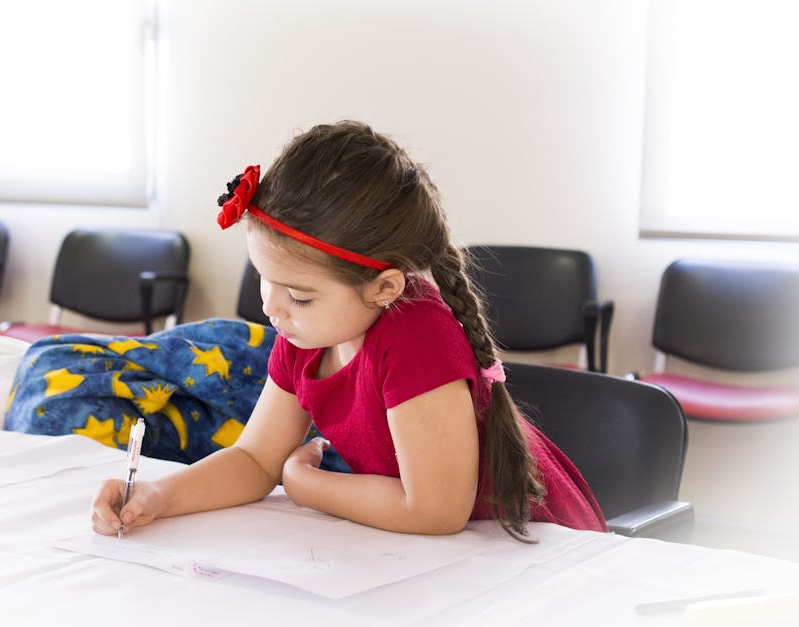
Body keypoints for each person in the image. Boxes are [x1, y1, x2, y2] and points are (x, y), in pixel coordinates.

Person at [91, 120, 606, 540]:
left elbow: (433, 511)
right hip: (439, 556)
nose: (272, 307)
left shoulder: (417, 336)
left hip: (529, 547)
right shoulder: (306, 334)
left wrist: (302, 482)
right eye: (264, 279)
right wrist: (159, 496)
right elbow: (253, 459)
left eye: (299, 295)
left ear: (384, 288)